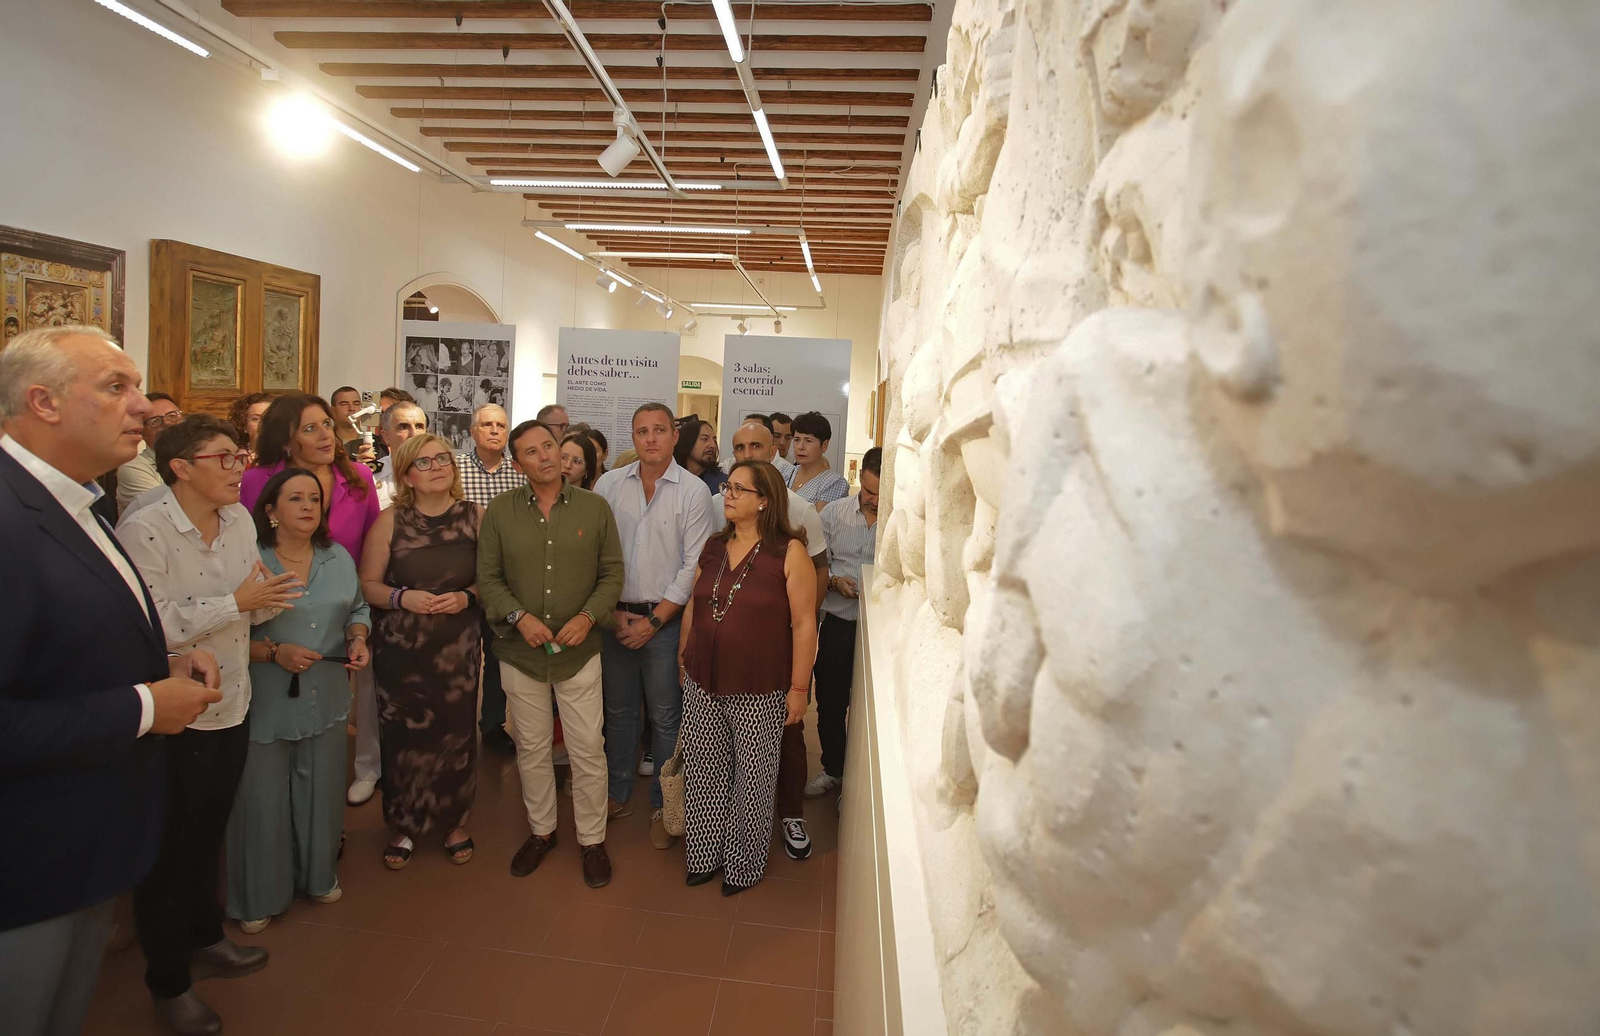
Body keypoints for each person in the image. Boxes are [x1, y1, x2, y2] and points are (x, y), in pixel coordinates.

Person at [0, 327, 221, 1036]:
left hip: (82, 837)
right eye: (116, 387)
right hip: (28, 856)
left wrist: (162, 670)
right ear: (44, 402)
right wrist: (144, 704)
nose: (143, 406)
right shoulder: (8, 517)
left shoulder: (78, 500)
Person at [117, 415, 304, 1034]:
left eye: (239, 456)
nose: (237, 468)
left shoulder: (242, 520)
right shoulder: (145, 529)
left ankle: (204, 937)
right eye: (223, 457)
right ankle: (168, 982)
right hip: (177, 711)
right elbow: (145, 621)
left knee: (208, 831)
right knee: (170, 846)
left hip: (233, 696)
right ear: (181, 467)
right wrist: (239, 603)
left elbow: (249, 588)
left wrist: (265, 597)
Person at [479, 420, 624, 887]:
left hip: (579, 653)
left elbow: (611, 575)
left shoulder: (594, 508)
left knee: (586, 749)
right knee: (533, 749)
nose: (544, 457)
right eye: (531, 452)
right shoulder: (500, 513)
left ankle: (592, 840)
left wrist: (587, 618)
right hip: (520, 653)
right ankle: (542, 832)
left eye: (549, 446)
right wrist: (520, 617)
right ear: (517, 463)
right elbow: (489, 581)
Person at [228, 468, 371, 932]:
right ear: (270, 511)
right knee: (261, 799)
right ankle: (258, 897)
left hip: (327, 694)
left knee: (323, 791)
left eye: (315, 498)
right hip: (266, 697)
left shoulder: (338, 557)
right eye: (295, 499)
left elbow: (357, 610)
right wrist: (273, 652)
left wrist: (357, 637)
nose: (309, 506)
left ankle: (318, 876)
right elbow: (219, 635)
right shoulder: (249, 562)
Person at [678, 460, 818, 895]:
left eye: (739, 489)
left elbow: (804, 625)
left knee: (753, 778)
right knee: (704, 770)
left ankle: (743, 863)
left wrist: (798, 689)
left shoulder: (788, 552)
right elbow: (693, 606)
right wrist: (684, 660)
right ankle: (704, 854)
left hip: (761, 688)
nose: (728, 495)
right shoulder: (715, 546)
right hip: (704, 680)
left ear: (764, 501)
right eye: (727, 487)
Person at [359, 433, 484, 869]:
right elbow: (369, 585)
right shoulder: (390, 521)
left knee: (456, 734)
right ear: (407, 475)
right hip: (401, 652)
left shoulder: (475, 517)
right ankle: (405, 823)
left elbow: (493, 580)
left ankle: (454, 821)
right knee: (403, 739)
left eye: (443, 459)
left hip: (456, 650)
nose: (437, 467)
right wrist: (401, 598)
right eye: (425, 462)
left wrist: (467, 597)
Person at [593, 404, 713, 848]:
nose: (650, 439)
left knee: (666, 718)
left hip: (664, 625)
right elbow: (599, 554)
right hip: (616, 619)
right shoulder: (608, 485)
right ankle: (617, 792)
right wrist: (612, 613)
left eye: (659, 430)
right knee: (620, 713)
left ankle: (666, 806)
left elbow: (693, 566)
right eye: (641, 431)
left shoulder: (694, 492)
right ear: (633, 436)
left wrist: (655, 619)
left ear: (674, 436)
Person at [710, 420, 830, 861]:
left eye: (756, 444)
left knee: (789, 729)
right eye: (739, 446)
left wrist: (792, 625)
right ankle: (732, 822)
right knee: (730, 744)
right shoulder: (720, 501)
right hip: (731, 653)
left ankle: (790, 812)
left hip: (781, 649)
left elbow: (818, 572)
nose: (748, 453)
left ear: (775, 447)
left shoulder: (799, 510)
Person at [346, 401, 428, 808]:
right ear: (383, 433)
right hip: (378, 595)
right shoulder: (366, 481)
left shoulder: (436, 478)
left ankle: (415, 764)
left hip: (426, 600)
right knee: (371, 688)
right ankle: (368, 767)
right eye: (402, 426)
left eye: (419, 425)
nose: (410, 433)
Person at [807, 446, 881, 800]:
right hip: (839, 625)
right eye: (868, 492)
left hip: (881, 634)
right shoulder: (834, 515)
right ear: (859, 480)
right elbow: (818, 567)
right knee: (831, 704)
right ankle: (834, 770)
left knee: (872, 712)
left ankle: (860, 791)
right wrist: (836, 581)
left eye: (882, 495)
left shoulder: (901, 522)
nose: (874, 501)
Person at [240, 393, 379, 567]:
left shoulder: (359, 477)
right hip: (275, 588)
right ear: (286, 443)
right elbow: (243, 548)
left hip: (345, 588)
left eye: (327, 424)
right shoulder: (255, 481)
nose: (325, 435)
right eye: (310, 429)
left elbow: (374, 549)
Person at [456, 403, 524, 755]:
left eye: (501, 425)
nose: (495, 430)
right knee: (460, 658)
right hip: (462, 580)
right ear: (473, 431)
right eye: (487, 424)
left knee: (498, 656)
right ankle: (456, 725)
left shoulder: (519, 474)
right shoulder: (455, 470)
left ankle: (493, 724)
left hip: (504, 583)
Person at [116, 391, 181, 513]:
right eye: (155, 421)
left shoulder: (200, 459)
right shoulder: (133, 467)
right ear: (142, 433)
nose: (167, 423)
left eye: (172, 416)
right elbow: (169, 512)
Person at [786, 411, 850, 510]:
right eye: (797, 439)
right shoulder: (786, 472)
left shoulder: (834, 483)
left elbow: (820, 523)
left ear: (824, 445)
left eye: (808, 441)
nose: (800, 447)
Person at [675, 418, 728, 495]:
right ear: (688, 442)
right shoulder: (671, 478)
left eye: (714, 440)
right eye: (704, 439)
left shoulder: (724, 484)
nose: (712, 445)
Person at [328, 385, 376, 466]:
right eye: (344, 404)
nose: (352, 408)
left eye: (356, 404)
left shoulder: (376, 443)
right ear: (332, 411)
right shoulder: (327, 443)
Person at [227, 391, 273, 464]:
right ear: (244, 424)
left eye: (269, 418)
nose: (263, 424)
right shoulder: (235, 457)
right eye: (255, 419)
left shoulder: (287, 456)